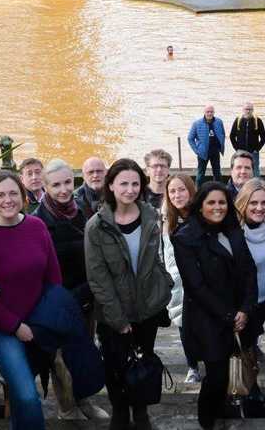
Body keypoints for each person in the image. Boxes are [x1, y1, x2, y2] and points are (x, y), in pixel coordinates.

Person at [0, 170, 64, 430]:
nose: (8, 200)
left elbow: (54, 279)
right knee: (28, 397)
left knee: (21, 395)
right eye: (0, 195)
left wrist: (46, 320)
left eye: (13, 193)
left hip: (39, 324)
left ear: (23, 196)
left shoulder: (36, 226)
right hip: (3, 328)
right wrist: (16, 327)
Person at [85, 159, 173, 430]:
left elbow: (156, 258)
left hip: (147, 308)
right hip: (114, 313)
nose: (130, 189)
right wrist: (118, 318)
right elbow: (97, 279)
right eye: (123, 183)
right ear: (110, 185)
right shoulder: (96, 226)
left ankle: (141, 411)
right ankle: (120, 412)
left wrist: (164, 285)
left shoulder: (150, 216)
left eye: (135, 183)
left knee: (144, 358)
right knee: (115, 365)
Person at [171, 182, 258, 430]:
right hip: (208, 318)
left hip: (238, 312)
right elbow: (196, 287)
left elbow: (249, 270)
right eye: (211, 202)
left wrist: (246, 308)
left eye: (222, 202)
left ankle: (223, 409)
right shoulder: (186, 237)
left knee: (233, 367)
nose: (217, 207)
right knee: (217, 373)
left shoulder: (233, 229)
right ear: (200, 206)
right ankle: (206, 420)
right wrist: (230, 315)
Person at [34, 160, 108, 421]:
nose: (64, 190)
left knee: (83, 350)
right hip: (57, 301)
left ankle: (83, 398)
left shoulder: (83, 212)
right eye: (56, 185)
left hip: (86, 296)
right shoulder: (37, 221)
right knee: (60, 359)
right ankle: (67, 408)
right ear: (44, 187)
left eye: (67, 182)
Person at [234, 179, 265, 398]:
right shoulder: (234, 232)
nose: (259, 208)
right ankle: (249, 390)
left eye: (264, 203)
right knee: (244, 347)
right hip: (243, 303)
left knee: (252, 342)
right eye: (253, 203)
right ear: (243, 203)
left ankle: (250, 383)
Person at [161, 175, 201, 384]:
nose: (177, 195)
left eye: (181, 190)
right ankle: (192, 366)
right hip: (177, 283)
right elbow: (162, 252)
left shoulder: (202, 216)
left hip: (201, 281)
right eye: (173, 191)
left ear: (190, 191)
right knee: (183, 324)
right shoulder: (166, 220)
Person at [188, 105, 226, 185]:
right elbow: (190, 138)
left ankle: (219, 190)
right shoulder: (197, 123)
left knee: (217, 173)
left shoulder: (219, 122)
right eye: (207, 112)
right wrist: (197, 150)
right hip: (203, 153)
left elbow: (223, 134)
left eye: (211, 112)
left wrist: (221, 146)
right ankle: (198, 191)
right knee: (200, 174)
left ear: (214, 112)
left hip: (215, 151)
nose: (209, 113)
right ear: (204, 112)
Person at [229, 102, 265, 175]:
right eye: (246, 109)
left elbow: (263, 137)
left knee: (255, 170)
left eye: (250, 109)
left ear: (253, 110)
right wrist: (237, 148)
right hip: (241, 151)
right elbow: (232, 136)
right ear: (243, 110)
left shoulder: (257, 121)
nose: (248, 111)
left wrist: (257, 149)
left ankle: (256, 185)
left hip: (253, 152)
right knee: (241, 170)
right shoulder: (238, 120)